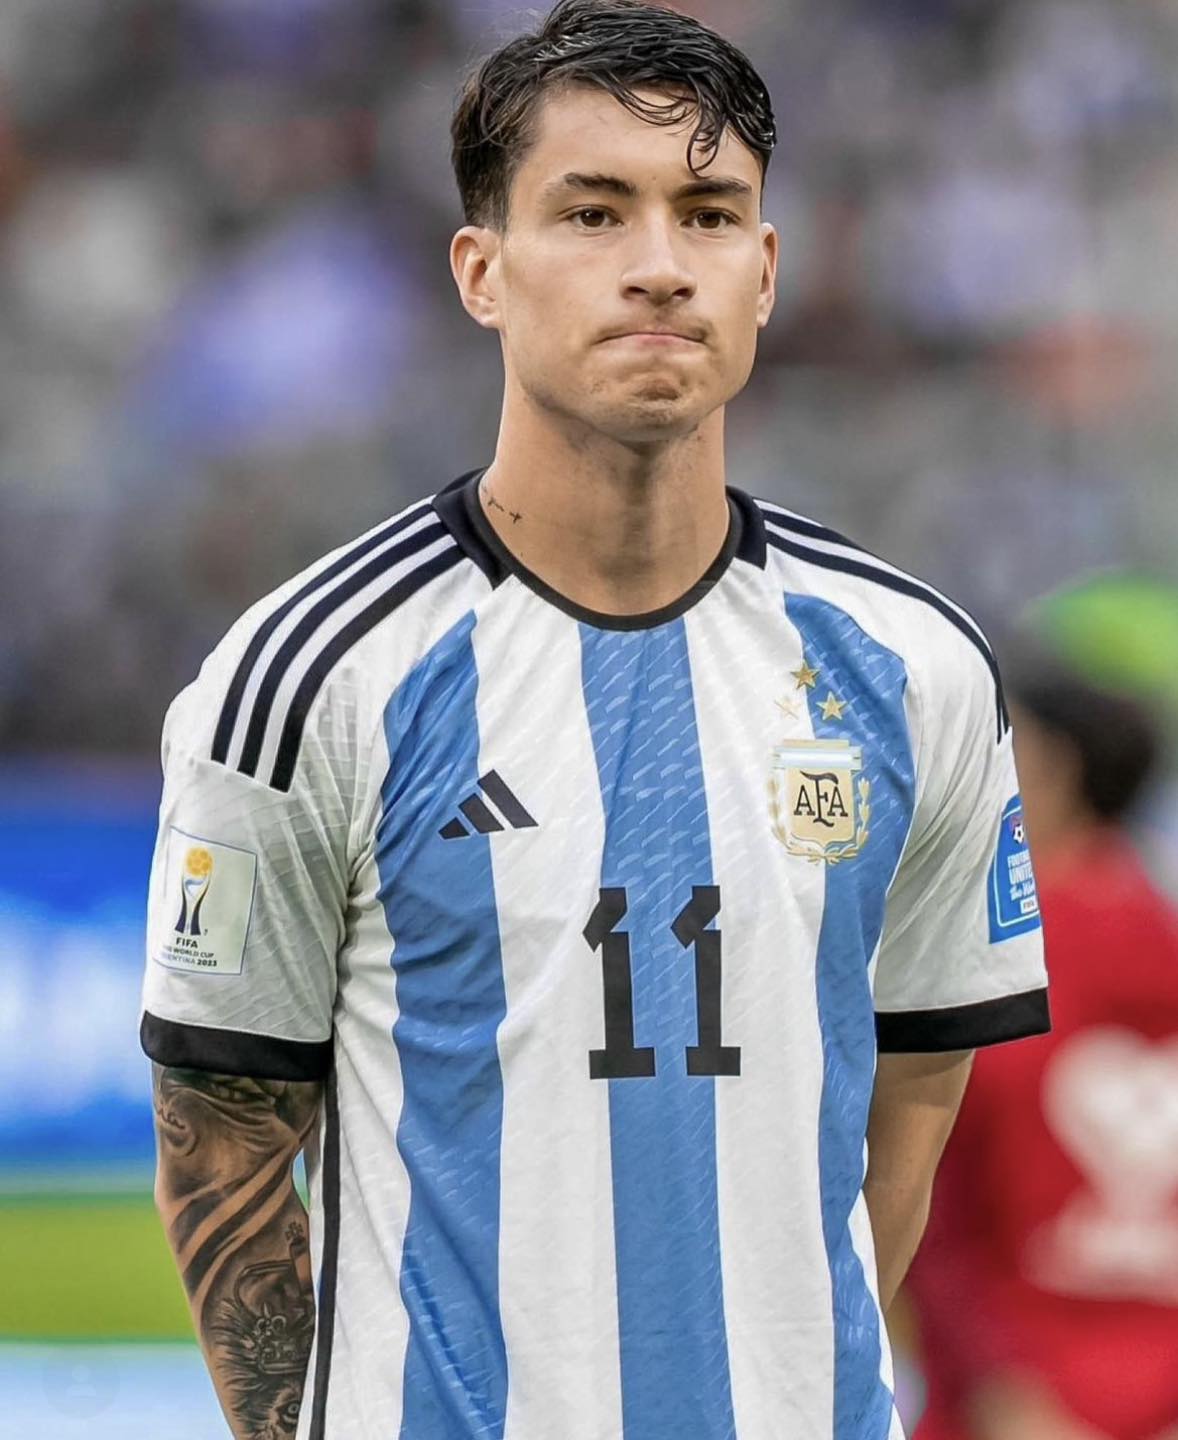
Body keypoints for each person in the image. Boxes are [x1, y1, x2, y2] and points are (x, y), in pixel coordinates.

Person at [138, 3, 1049, 1436]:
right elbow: (225, 1144)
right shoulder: (312, 677)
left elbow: (914, 1093)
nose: (659, 264)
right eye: (591, 212)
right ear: (481, 271)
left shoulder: (915, 667)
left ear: (764, 270)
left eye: (707, 214)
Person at [906, 660, 1178, 1440]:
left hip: (1009, 1402)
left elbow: (928, 1209)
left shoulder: (984, 966)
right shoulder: (1156, 934)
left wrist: (1007, 1404)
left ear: (1050, 772)